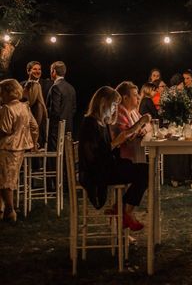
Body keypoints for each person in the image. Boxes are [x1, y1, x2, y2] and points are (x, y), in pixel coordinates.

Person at [78, 86, 149, 231]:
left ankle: (121, 208)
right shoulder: (90, 123)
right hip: (95, 173)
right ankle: (124, 211)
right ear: (104, 102)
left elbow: (105, 151)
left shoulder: (101, 122)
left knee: (138, 166)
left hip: (103, 168)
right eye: (114, 105)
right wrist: (116, 142)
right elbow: (93, 157)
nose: (115, 109)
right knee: (144, 171)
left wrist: (117, 144)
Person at [0, 79, 38, 222]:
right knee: (9, 178)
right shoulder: (24, 107)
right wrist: (33, 143)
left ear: (8, 92)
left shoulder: (7, 109)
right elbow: (34, 127)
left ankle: (10, 211)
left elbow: (3, 130)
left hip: (6, 147)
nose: (0, 95)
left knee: (5, 181)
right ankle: (3, 210)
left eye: (2, 92)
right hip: (20, 148)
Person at [113, 81, 150, 164]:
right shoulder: (118, 114)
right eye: (135, 94)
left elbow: (149, 124)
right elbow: (128, 136)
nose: (139, 97)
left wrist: (144, 130)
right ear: (125, 98)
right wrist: (141, 123)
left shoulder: (133, 111)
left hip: (136, 154)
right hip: (124, 161)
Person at [46, 60, 77, 142]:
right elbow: (73, 109)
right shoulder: (71, 88)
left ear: (54, 71)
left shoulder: (55, 87)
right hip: (69, 128)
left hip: (56, 130)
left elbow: (55, 111)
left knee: (55, 153)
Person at [23, 81, 48, 149]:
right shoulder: (36, 104)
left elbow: (36, 127)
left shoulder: (38, 106)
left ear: (30, 91)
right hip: (35, 137)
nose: (22, 91)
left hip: (37, 140)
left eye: (24, 89)